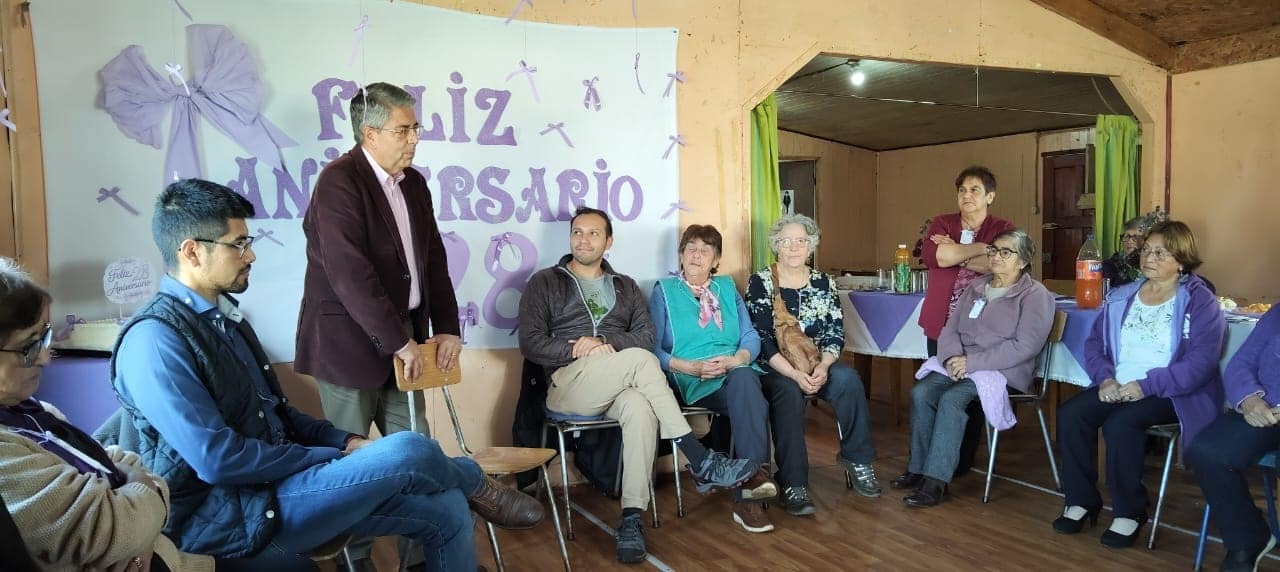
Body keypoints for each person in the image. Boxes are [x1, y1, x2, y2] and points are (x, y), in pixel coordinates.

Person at [103, 179, 544, 569]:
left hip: (276, 489)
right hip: (229, 513)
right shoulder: (154, 341)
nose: (250, 254)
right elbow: (217, 460)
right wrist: (329, 458)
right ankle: (475, 481)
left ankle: (466, 490)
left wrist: (344, 441)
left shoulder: (225, 320)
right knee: (409, 446)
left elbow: (280, 414)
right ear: (192, 251)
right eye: (238, 244)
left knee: (446, 508)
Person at [518, 206, 769, 564]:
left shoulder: (625, 286)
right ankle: (699, 459)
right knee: (641, 360)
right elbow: (530, 342)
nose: (583, 240)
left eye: (593, 233)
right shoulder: (545, 282)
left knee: (639, 406)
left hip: (618, 384)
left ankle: (631, 517)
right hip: (568, 382)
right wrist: (576, 347)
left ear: (608, 242)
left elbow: (645, 335)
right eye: (577, 232)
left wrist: (604, 341)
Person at [295, 82, 461, 569]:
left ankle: (420, 561)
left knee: (419, 456)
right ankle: (356, 563)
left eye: (416, 128)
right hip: (348, 347)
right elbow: (350, 274)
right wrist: (398, 341)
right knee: (354, 469)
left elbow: (433, 260)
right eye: (403, 130)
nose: (415, 138)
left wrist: (446, 326)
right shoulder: (339, 181)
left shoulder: (414, 184)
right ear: (370, 133)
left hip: (405, 341)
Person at [0, 257, 213, 571]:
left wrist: (138, 517)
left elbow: (122, 464)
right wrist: (139, 494)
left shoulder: (36, 411)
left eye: (43, 337)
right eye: (28, 347)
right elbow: (111, 528)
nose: (45, 358)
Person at [1054, 221, 1225, 548]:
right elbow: (1095, 345)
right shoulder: (1122, 296)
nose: (1149, 257)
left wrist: (1146, 386)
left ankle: (1129, 511)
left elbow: (1201, 363)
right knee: (1072, 414)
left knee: (1122, 423)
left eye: (1160, 252)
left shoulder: (1199, 301)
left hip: (1171, 391)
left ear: (1181, 260)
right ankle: (1080, 500)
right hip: (1118, 383)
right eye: (1147, 250)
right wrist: (1105, 378)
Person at [891, 229, 1054, 507]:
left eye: (1006, 252)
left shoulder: (1035, 295)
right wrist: (952, 358)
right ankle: (917, 468)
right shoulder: (977, 287)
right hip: (961, 363)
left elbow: (1025, 346)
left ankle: (935, 482)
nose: (996, 256)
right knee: (922, 392)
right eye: (993, 250)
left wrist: (972, 363)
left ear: (1024, 261)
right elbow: (950, 329)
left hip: (1003, 371)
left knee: (953, 399)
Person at [744, 214, 881, 517]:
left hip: (817, 363)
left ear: (811, 245)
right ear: (776, 245)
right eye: (786, 241)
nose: (794, 247)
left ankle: (857, 458)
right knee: (788, 393)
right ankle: (793, 481)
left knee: (849, 380)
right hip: (775, 367)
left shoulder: (824, 282)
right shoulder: (761, 281)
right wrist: (794, 374)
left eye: (801, 241)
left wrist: (825, 366)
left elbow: (835, 332)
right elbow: (761, 339)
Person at [648, 225, 776, 533]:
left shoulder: (727, 288)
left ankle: (749, 491)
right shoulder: (664, 291)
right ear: (681, 255)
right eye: (690, 248)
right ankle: (753, 489)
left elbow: (749, 335)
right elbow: (652, 349)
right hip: (692, 377)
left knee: (745, 379)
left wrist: (738, 358)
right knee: (750, 394)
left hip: (734, 372)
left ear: (716, 259)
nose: (697, 255)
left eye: (705, 250)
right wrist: (688, 367)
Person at [1188, 306, 1280, 571]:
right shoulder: (1277, 314)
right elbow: (1241, 363)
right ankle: (1248, 538)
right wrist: (1249, 398)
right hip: (1264, 408)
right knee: (1207, 452)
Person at [919, 166, 1016, 356]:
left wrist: (956, 254)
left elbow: (1000, 266)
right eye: (962, 190)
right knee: (938, 371)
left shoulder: (1003, 228)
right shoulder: (942, 223)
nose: (966, 195)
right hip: (942, 320)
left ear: (990, 197)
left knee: (978, 372)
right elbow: (936, 257)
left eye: (974, 190)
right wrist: (981, 248)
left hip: (985, 322)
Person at [1100, 216, 1146, 288]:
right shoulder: (1110, 264)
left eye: (1135, 238)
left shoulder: (1151, 265)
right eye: (1126, 236)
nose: (1129, 241)